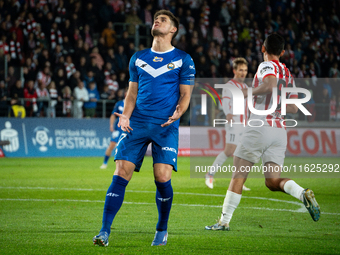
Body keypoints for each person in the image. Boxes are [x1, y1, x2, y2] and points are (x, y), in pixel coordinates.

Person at [93, 10, 195, 247]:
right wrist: (125, 117)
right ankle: (104, 231)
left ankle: (161, 229)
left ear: (173, 30)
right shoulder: (138, 58)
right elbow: (131, 93)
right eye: (155, 19)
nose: (156, 21)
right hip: (136, 123)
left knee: (162, 176)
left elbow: (186, 94)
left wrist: (180, 110)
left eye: (163, 20)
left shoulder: (183, 58)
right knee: (120, 172)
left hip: (165, 125)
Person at [205, 34, 320, 231]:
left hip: (260, 125)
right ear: (283, 52)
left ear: (263, 49)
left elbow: (269, 85)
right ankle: (302, 193)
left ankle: (223, 222)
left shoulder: (267, 66)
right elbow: (293, 108)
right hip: (279, 131)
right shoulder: (287, 73)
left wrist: (247, 92)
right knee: (272, 181)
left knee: (239, 174)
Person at [205, 57, 250, 191]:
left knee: (240, 153)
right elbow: (225, 101)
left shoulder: (246, 86)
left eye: (245, 70)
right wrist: (228, 113)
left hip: (244, 123)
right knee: (230, 150)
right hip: (233, 122)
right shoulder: (229, 86)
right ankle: (210, 174)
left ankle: (237, 182)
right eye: (240, 70)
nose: (243, 73)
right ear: (234, 70)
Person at [99, 98, 124, 169]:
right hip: (118, 129)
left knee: (126, 147)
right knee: (112, 145)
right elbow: (113, 115)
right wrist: (111, 125)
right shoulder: (119, 103)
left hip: (127, 128)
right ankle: (104, 163)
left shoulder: (134, 103)